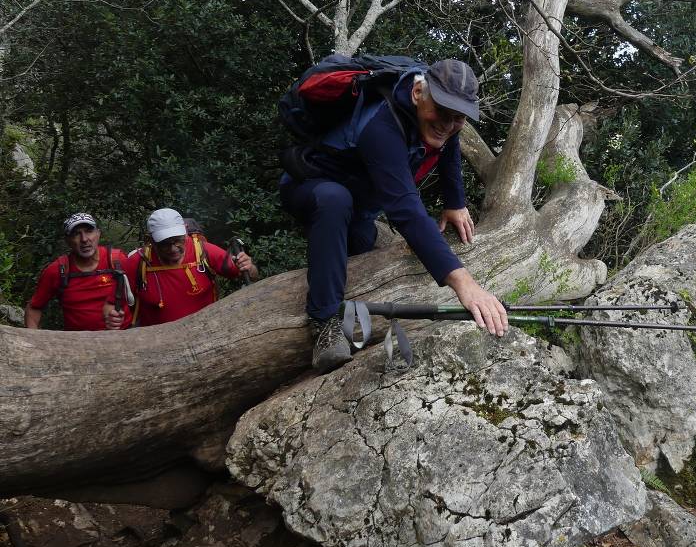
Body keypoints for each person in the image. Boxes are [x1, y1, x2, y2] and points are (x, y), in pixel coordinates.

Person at [280, 57, 509, 373]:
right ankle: (323, 322)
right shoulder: (381, 125)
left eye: (459, 117)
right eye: (442, 112)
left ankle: (342, 278)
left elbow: (450, 149)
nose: (447, 123)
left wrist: (455, 202)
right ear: (418, 93)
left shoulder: (443, 114)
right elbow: (404, 208)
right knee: (335, 201)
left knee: (360, 240)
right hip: (311, 188)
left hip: (360, 206)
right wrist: (465, 283)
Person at [123, 208, 258, 326]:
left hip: (206, 334)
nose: (173, 248)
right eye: (164, 243)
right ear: (151, 240)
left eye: (178, 240)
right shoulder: (137, 263)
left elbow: (248, 275)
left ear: (185, 233)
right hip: (157, 342)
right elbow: (115, 299)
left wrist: (249, 267)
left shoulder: (204, 251)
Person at [25, 213, 132, 331]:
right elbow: (34, 307)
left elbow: (140, 294)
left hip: (122, 338)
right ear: (68, 240)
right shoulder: (57, 270)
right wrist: (34, 340)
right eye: (76, 234)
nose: (84, 239)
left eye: (89, 231)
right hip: (78, 343)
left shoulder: (117, 260)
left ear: (98, 233)